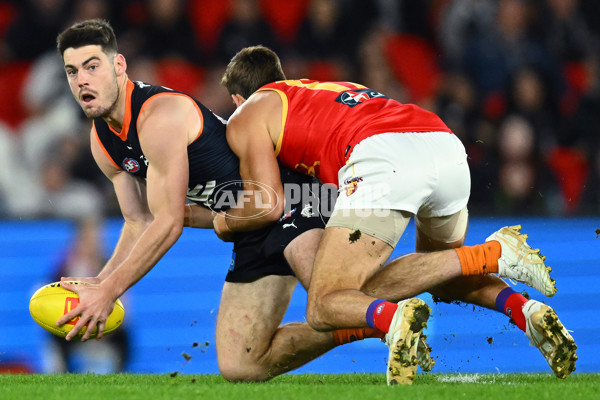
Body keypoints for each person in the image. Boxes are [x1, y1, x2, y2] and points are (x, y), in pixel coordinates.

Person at [53, 19, 396, 383]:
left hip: (285, 194)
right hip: (248, 224)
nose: (82, 80)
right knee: (240, 366)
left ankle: (451, 268)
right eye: (72, 71)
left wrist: (110, 291)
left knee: (331, 300)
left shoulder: (159, 116)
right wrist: (99, 284)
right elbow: (137, 221)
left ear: (118, 65)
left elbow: (167, 223)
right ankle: (382, 321)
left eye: (93, 66)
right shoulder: (102, 140)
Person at [216, 45, 577, 383]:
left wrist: (224, 221)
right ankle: (523, 309)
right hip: (443, 144)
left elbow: (266, 202)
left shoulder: (246, 115)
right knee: (441, 274)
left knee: (324, 304)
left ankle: (490, 256)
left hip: (383, 155)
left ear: (236, 99)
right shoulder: (323, 87)